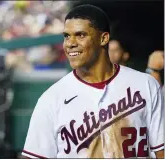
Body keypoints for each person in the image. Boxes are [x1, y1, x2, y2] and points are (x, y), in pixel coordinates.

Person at [21, 4, 164, 158]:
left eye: (80, 35)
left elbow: (161, 151)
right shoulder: (51, 99)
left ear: (103, 38)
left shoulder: (145, 85)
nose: (70, 43)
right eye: (67, 36)